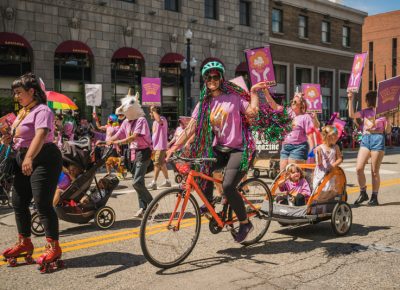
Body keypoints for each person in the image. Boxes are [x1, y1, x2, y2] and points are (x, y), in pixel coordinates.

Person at [166, 61, 267, 243]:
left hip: (240, 149)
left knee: (228, 186)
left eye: (215, 76)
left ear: (221, 78)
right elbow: (191, 128)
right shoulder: (205, 104)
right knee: (198, 167)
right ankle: (210, 204)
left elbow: (253, 112)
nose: (211, 80)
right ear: (205, 80)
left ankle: (245, 222)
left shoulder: (234, 99)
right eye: (208, 77)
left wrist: (253, 93)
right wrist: (174, 146)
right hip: (221, 148)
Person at [1, 73, 63, 269]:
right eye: (15, 93)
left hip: (44, 157)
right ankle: (25, 243)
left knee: (42, 203)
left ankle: (53, 247)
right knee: (18, 201)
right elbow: (21, 137)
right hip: (23, 158)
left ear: (32, 91)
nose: (16, 97)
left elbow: (41, 133)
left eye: (19, 93)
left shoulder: (43, 110)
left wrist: (29, 157)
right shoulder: (23, 113)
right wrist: (9, 139)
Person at [107, 93, 153, 218]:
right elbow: (119, 133)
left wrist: (117, 142)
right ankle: (143, 208)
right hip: (132, 153)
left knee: (136, 182)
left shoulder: (141, 120)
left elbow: (133, 137)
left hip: (143, 152)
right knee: (140, 182)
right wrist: (108, 140)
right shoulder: (126, 122)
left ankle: (152, 203)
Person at [348, 91, 391, 206]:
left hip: (378, 139)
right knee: (359, 168)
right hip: (366, 139)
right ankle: (363, 193)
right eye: (369, 99)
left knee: (374, 172)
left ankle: (374, 197)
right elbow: (352, 115)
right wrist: (350, 99)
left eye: (371, 99)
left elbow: (387, 131)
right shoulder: (365, 112)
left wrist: (388, 119)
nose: (369, 101)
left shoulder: (383, 113)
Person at [312, 125, 343, 194]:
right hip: (321, 173)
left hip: (332, 171)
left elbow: (340, 159)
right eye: (335, 136)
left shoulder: (336, 147)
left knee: (330, 189)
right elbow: (319, 163)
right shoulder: (320, 148)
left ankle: (329, 202)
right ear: (328, 137)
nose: (337, 137)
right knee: (319, 189)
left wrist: (334, 165)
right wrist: (318, 153)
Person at [147, 106, 171, 190]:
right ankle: (167, 181)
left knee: (157, 164)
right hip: (156, 146)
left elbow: (159, 121)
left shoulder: (162, 119)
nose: (150, 113)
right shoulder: (154, 122)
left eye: (151, 112)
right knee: (162, 164)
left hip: (161, 146)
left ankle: (154, 182)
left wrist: (153, 110)